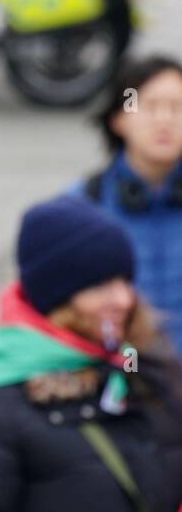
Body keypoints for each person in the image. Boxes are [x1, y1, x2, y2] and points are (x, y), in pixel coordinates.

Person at [0, 196, 182, 512]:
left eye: (124, 281)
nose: (122, 299)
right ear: (56, 295)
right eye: (100, 285)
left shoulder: (144, 374)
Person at [73, 56, 182, 354]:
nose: (165, 119)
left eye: (177, 107)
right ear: (117, 119)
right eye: (150, 107)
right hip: (119, 381)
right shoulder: (81, 207)